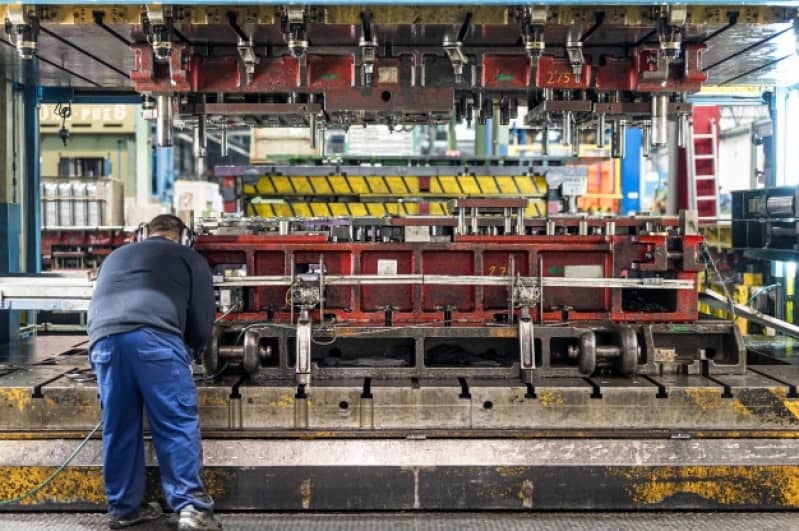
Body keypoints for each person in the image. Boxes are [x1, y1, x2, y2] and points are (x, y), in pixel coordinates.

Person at [87, 214, 222, 530]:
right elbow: (203, 319)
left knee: (118, 426)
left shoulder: (116, 256)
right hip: (155, 340)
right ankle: (192, 508)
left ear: (144, 234)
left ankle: (123, 509)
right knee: (175, 421)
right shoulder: (189, 257)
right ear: (183, 236)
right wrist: (194, 352)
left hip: (103, 341)